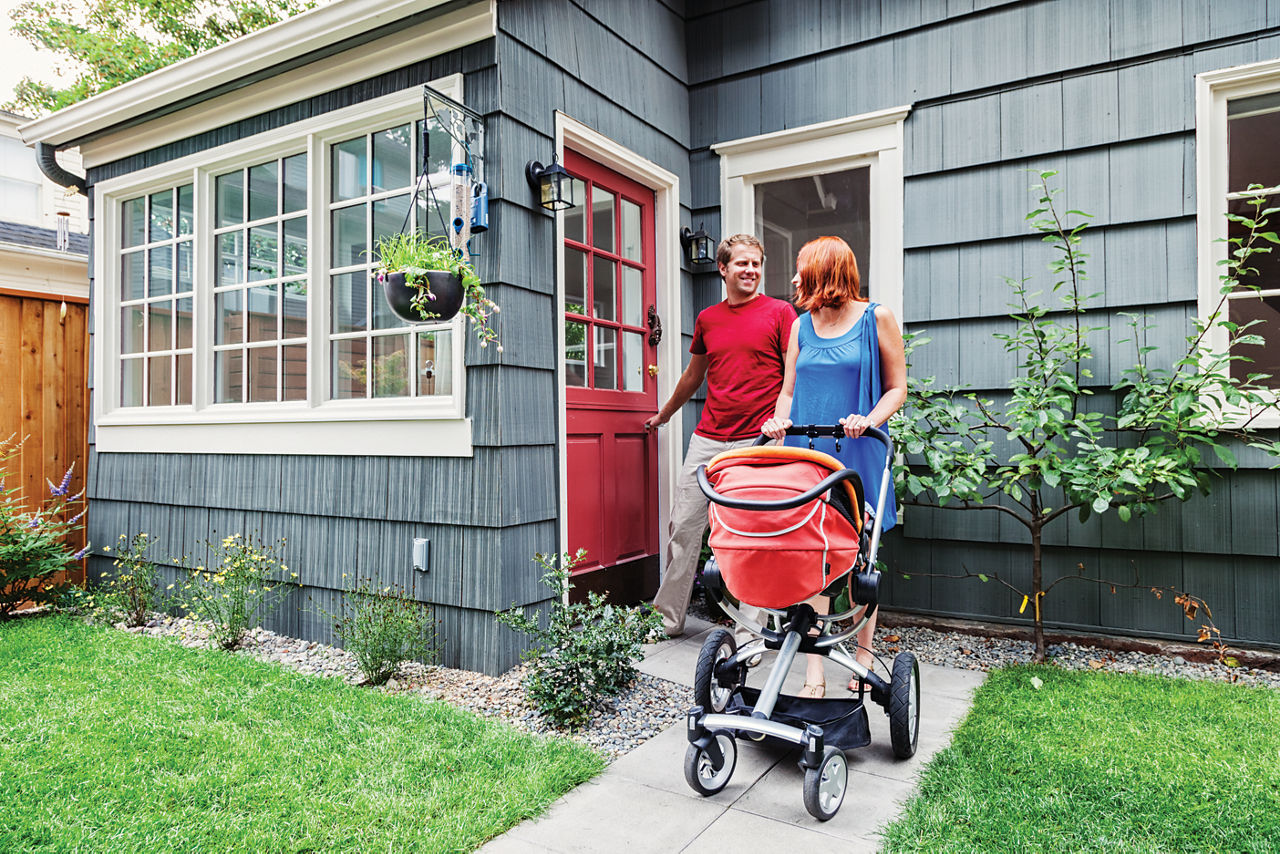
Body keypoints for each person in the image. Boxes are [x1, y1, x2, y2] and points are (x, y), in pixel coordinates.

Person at [761, 236, 906, 698]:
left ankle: (863, 662)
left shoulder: (875, 318)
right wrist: (781, 419)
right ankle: (814, 674)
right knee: (811, 557)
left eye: (801, 269)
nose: (794, 278)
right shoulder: (800, 327)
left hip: (859, 452)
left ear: (824, 272)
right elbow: (788, 389)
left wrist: (870, 419)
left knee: (863, 561)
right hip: (808, 452)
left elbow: (897, 388)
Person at [646, 234, 797, 644]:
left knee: (752, 532)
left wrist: (781, 423)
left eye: (756, 264)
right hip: (708, 438)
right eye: (742, 263)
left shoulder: (781, 313)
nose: (750, 270)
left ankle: (751, 626)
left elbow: (794, 375)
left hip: (758, 441)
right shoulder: (708, 319)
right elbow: (693, 376)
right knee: (684, 526)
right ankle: (667, 618)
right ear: (723, 269)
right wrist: (665, 414)